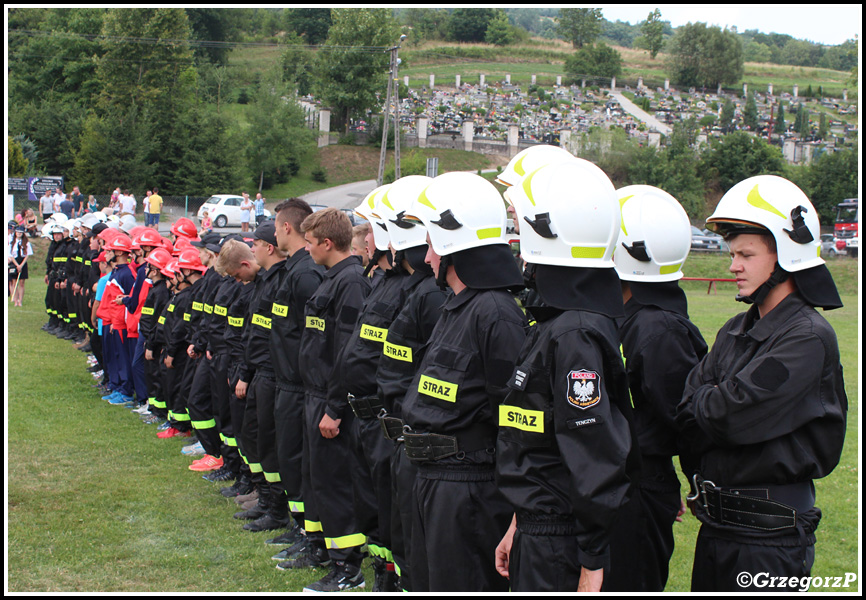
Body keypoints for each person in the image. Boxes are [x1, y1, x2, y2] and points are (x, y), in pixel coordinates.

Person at [675, 175, 847, 592]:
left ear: (786, 256)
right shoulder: (737, 328)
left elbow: (728, 415)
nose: (733, 265)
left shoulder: (806, 337)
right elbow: (685, 413)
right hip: (718, 529)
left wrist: (709, 400)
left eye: (746, 255)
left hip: (768, 541)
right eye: (733, 254)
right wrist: (708, 402)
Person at [493, 160, 637, 593]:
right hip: (540, 530)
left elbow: (593, 456)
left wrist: (592, 562)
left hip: (562, 546)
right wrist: (519, 523)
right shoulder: (560, 325)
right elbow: (544, 447)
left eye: (523, 228)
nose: (518, 243)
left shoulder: (574, 332)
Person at [401, 172, 528, 592]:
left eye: (434, 243)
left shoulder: (496, 313)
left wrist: (514, 511)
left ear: (456, 244)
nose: (428, 258)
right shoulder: (458, 307)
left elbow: (514, 420)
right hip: (432, 480)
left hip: (468, 491)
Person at [604, 185, 709, 592]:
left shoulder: (658, 328)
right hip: (623, 481)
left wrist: (679, 481)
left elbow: (683, 419)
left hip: (640, 487)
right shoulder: (625, 316)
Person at [296, 207, 371, 592]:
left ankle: (350, 569)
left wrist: (334, 408)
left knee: (337, 486)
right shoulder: (332, 278)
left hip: (331, 402)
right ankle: (328, 552)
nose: (306, 249)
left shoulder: (352, 283)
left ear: (327, 243)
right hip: (315, 396)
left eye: (309, 243)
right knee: (319, 481)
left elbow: (348, 353)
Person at [8, 226, 33, 306]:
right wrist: (17, 265)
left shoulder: (26, 242)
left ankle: (20, 301)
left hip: (22, 263)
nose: (19, 234)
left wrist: (21, 265)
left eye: (20, 233)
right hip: (14, 262)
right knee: (14, 282)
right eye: (18, 232)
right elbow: (10, 255)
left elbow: (28, 254)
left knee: (22, 283)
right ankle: (15, 300)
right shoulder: (12, 242)